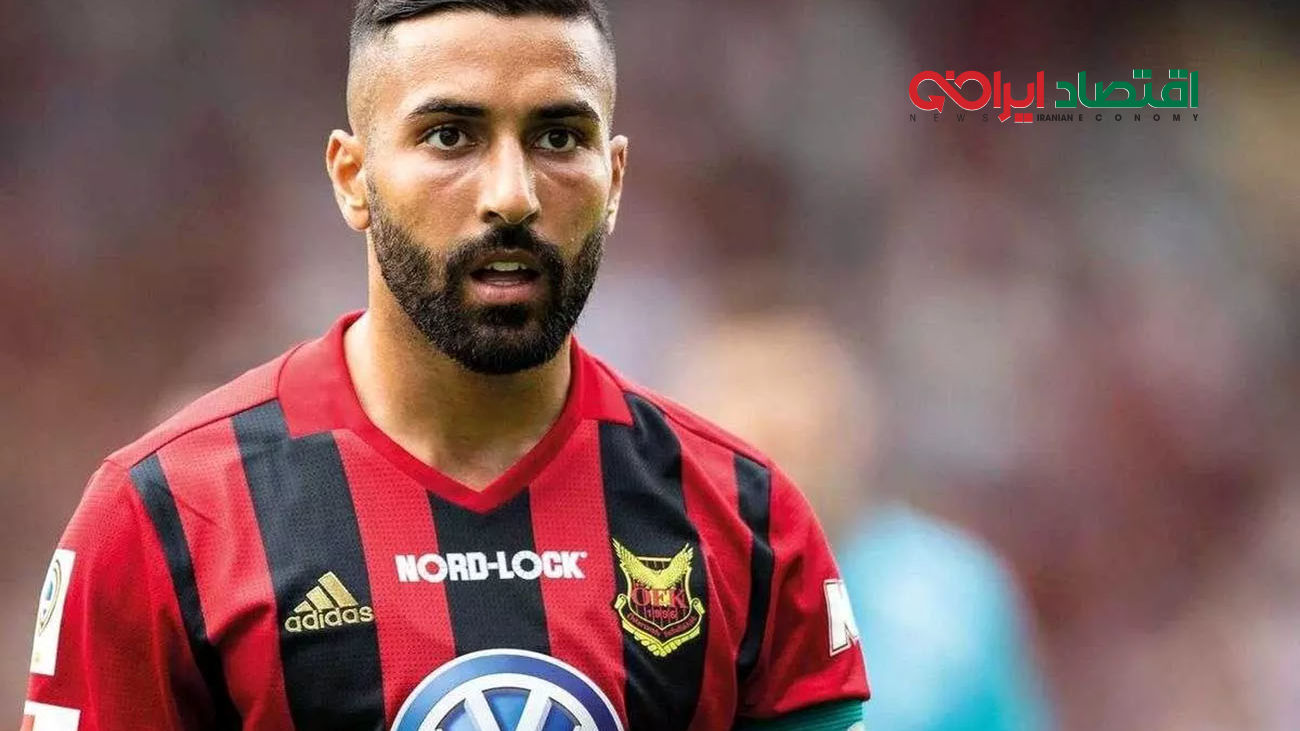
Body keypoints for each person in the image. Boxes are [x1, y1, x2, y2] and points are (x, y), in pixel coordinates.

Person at [20, 2, 868, 729]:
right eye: (450, 135)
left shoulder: (751, 519)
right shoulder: (166, 516)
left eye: (558, 136)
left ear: (613, 180)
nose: (512, 194)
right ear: (353, 177)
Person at [668, 309, 1053, 731]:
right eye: (744, 397)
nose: (781, 429)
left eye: (803, 408)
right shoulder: (644, 593)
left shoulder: (954, 596)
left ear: (857, 424)